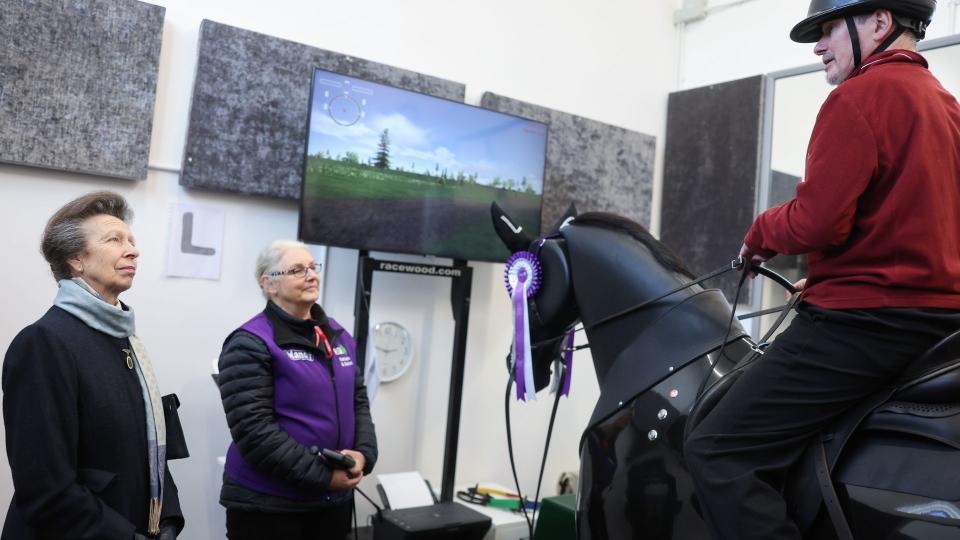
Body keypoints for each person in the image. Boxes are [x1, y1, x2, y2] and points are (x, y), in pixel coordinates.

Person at [684, 1, 960, 539]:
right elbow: (917, 229)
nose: (817, 45)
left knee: (716, 450)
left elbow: (817, 223)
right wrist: (839, 272)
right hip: (936, 328)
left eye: (829, 28)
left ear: (880, 23)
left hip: (862, 327)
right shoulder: (948, 108)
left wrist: (759, 233)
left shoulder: (857, 97)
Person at [2, 191, 184, 540]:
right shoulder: (44, 342)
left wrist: (168, 519)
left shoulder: (126, 341)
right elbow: (45, 486)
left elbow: (149, 451)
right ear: (76, 260)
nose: (133, 250)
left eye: (131, 240)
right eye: (115, 240)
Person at [217, 240, 378, 540]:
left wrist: (364, 455)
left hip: (331, 504)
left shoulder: (338, 336)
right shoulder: (249, 342)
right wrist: (326, 477)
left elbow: (359, 402)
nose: (311, 275)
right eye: (297, 270)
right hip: (270, 508)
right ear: (269, 284)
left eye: (313, 267)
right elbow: (255, 432)